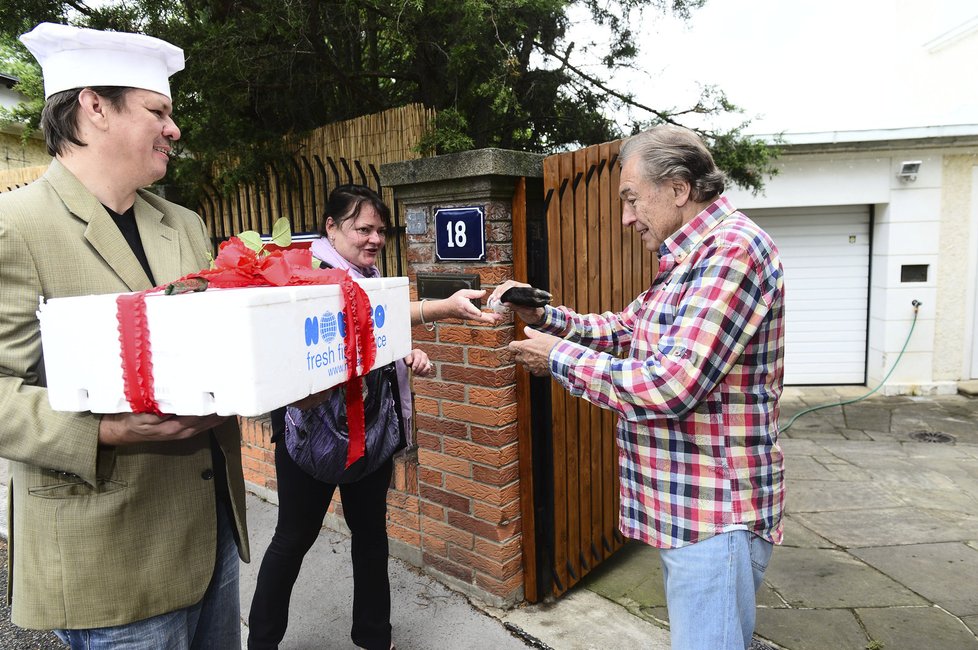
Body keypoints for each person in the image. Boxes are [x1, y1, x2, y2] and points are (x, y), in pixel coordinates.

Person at [0, 23, 249, 648]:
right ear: (94, 108)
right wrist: (104, 429)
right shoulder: (17, 228)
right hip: (109, 555)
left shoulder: (183, 224)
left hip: (209, 534)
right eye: (158, 110)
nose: (175, 128)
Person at [492, 125, 786, 650]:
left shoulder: (731, 254)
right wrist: (546, 316)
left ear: (677, 189)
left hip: (715, 517)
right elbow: (627, 330)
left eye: (632, 199)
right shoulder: (689, 260)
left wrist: (556, 356)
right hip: (694, 514)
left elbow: (671, 384)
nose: (626, 217)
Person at [247, 184, 501, 650]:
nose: (375, 238)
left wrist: (403, 352)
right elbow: (343, 324)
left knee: (370, 537)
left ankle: (373, 638)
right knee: (292, 539)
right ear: (331, 227)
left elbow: (374, 330)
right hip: (312, 439)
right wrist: (441, 308)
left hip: (371, 433)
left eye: (380, 230)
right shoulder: (308, 274)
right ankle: (261, 642)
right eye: (363, 228)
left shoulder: (367, 273)